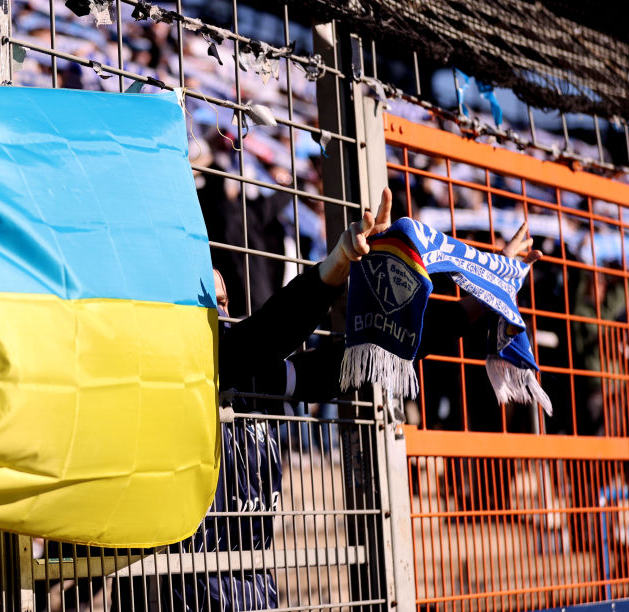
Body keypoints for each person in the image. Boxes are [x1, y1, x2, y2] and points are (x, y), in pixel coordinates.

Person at [168, 188, 540, 611]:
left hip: (255, 593)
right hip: (188, 594)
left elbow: (364, 354)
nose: (225, 319)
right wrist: (333, 269)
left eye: (224, 303)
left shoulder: (260, 376)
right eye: (209, 309)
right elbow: (264, 335)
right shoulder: (190, 374)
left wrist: (482, 298)